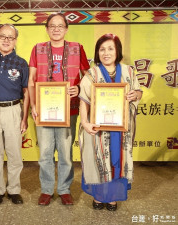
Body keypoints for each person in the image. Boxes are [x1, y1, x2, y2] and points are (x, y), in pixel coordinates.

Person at [28, 13, 90, 206]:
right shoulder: (37, 49)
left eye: (60, 25)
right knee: (45, 153)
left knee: (65, 153)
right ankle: (46, 190)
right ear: (46, 29)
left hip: (69, 110)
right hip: (43, 111)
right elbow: (31, 80)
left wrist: (79, 88)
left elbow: (88, 76)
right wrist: (33, 105)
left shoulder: (77, 48)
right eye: (52, 26)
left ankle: (64, 189)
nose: (56, 29)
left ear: (66, 28)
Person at [78, 33, 142, 211]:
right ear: (97, 52)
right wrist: (84, 122)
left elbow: (138, 92)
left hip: (122, 129)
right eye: (102, 49)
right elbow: (84, 100)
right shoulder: (91, 74)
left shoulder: (129, 71)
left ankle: (112, 198)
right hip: (98, 129)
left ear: (117, 51)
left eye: (110, 49)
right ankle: (99, 197)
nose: (106, 53)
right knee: (99, 160)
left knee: (118, 160)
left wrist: (135, 94)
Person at [0, 24, 29, 205]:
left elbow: (26, 92)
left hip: (13, 110)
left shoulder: (21, 63)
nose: (6, 40)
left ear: (15, 41)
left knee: (14, 153)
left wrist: (24, 118)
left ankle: (14, 189)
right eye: (3, 36)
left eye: (10, 37)